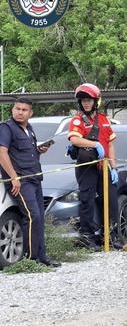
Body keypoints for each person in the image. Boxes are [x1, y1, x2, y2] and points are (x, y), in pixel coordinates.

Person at [0, 98, 61, 267]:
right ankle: (31, 260)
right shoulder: (6, 128)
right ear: (12, 110)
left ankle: (42, 257)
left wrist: (40, 151)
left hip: (35, 178)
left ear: (30, 113)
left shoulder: (29, 129)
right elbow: (2, 153)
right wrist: (13, 177)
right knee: (32, 216)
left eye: (24, 110)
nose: (20, 112)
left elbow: (27, 154)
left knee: (39, 217)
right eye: (17, 108)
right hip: (21, 180)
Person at [68, 83, 123, 250]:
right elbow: (74, 139)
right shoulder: (77, 120)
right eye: (83, 100)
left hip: (104, 166)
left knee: (111, 202)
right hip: (87, 167)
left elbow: (111, 145)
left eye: (89, 100)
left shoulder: (104, 120)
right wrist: (94, 144)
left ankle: (113, 237)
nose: (86, 103)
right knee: (87, 201)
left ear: (95, 101)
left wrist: (114, 167)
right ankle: (88, 238)